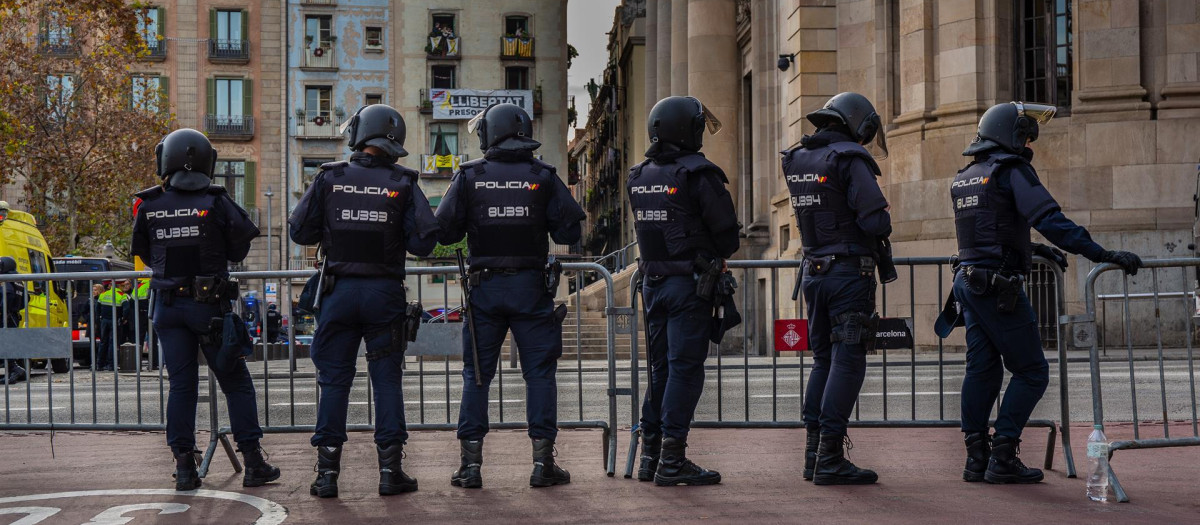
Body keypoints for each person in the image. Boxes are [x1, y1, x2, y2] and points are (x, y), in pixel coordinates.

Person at [946, 102, 1142, 484]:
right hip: (998, 288)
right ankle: (1002, 456)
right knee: (1032, 371)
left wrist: (1031, 250)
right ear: (1009, 134)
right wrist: (1100, 253)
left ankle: (976, 458)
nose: (1028, 141)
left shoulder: (967, 175)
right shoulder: (1011, 170)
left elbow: (989, 232)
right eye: (1024, 133)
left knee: (982, 370)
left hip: (969, 283)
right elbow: (1049, 218)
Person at [290, 103, 438, 498]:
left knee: (334, 381)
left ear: (358, 135)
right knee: (386, 380)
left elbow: (299, 232)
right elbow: (426, 241)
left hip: (338, 293)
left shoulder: (329, 177)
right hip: (384, 294)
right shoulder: (403, 183)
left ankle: (326, 476)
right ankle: (391, 473)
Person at [436, 102, 585, 489]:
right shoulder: (543, 175)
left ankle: (470, 468)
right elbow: (570, 232)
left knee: (477, 376)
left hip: (485, 290)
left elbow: (445, 232)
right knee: (539, 375)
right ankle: (542, 465)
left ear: (490, 133)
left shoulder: (469, 176)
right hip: (530, 289)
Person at [131, 127, 279, 491]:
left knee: (182, 386)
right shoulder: (216, 200)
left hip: (167, 308)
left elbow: (144, 251)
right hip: (208, 307)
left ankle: (184, 467)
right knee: (236, 383)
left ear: (165, 160)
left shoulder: (149, 204)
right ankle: (254, 462)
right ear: (207, 162)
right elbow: (241, 246)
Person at [628, 96, 739, 486]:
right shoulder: (698, 173)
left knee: (661, 372)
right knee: (685, 371)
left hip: (653, 285)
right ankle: (672, 461)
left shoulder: (638, 176)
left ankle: (650, 456)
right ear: (685, 130)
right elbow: (728, 236)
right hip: (689, 287)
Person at [782, 92, 892, 486]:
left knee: (823, 362)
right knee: (848, 361)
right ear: (857, 123)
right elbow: (875, 220)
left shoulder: (797, 157)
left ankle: (813, 455)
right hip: (848, 274)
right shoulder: (849, 157)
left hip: (814, 271)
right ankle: (829, 457)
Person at [1, 256, 28, 384]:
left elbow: (7, 295)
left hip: (6, 316)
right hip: (13, 316)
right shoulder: (17, 280)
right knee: (7, 345)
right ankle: (14, 370)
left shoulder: (7, 281)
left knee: (5, 345)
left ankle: (15, 369)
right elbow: (26, 300)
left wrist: (4, 308)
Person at [95, 279, 127, 371]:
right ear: (119, 286)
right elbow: (126, 309)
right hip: (115, 321)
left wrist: (99, 319)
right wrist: (123, 318)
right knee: (112, 343)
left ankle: (99, 364)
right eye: (122, 285)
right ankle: (111, 365)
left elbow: (97, 308)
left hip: (104, 321)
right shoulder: (122, 295)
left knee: (103, 342)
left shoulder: (103, 294)